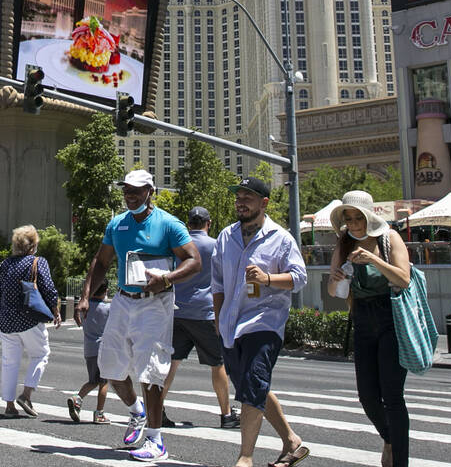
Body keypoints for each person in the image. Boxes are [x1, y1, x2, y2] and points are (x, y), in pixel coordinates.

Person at [75, 168, 200, 463]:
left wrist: (167, 279)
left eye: (136, 191)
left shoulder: (169, 224)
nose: (129, 196)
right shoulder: (117, 224)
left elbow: (195, 261)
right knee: (110, 368)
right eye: (126, 191)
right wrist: (84, 297)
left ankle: (156, 440)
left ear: (150, 192)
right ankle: (136, 411)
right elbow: (101, 260)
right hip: (123, 300)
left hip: (155, 303)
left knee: (151, 370)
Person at [211, 176, 309, 467]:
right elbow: (217, 284)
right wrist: (218, 320)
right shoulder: (225, 237)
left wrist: (267, 279)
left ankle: (246, 456)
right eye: (238, 196)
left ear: (264, 203)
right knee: (253, 388)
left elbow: (299, 277)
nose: (241, 201)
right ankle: (291, 441)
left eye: (248, 197)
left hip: (265, 322)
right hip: (231, 325)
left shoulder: (281, 238)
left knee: (253, 383)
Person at [328, 190, 412, 467]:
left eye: (357, 218)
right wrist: (337, 279)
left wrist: (375, 259)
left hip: (390, 318)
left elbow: (404, 279)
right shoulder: (343, 244)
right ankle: (390, 439)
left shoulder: (390, 238)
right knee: (367, 396)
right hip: (362, 320)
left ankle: (399, 460)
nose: (353, 224)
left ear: (369, 215)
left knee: (392, 397)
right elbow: (333, 290)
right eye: (348, 218)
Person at [160, 206, 239, 429]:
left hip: (177, 310)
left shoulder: (179, 246)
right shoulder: (216, 246)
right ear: (209, 223)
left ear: (188, 224)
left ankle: (158, 410)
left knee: (170, 364)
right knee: (217, 364)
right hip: (206, 312)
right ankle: (226, 415)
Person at [0, 224, 61, 417]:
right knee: (41, 353)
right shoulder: (38, 262)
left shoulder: (4, 264)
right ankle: (26, 394)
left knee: (9, 362)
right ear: (32, 246)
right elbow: (47, 288)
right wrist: (55, 310)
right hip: (29, 317)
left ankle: (9, 406)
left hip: (6, 320)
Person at [66, 281, 111, 424]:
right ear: (106, 291)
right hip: (103, 349)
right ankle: (99, 413)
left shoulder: (85, 308)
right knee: (103, 382)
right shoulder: (107, 308)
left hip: (89, 349)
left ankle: (77, 400)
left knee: (93, 380)